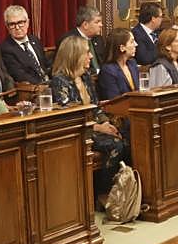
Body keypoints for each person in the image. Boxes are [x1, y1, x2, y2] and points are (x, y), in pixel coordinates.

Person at [49, 35, 129, 194]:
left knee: (125, 137)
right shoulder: (60, 81)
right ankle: (102, 192)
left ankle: (121, 191)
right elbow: (71, 116)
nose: (91, 56)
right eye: (87, 52)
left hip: (94, 127)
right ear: (74, 55)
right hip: (78, 131)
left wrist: (107, 123)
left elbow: (96, 107)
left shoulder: (85, 77)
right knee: (116, 145)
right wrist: (99, 127)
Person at [0, 5, 50, 84]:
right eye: (12, 24)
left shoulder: (35, 40)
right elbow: (20, 75)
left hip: (48, 82)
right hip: (32, 89)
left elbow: (44, 65)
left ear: (27, 22)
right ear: (7, 26)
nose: (17, 27)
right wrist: (44, 85)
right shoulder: (6, 49)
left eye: (20, 22)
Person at [60, 5, 105, 78]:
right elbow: (68, 68)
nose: (101, 25)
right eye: (97, 22)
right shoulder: (69, 40)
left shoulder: (98, 39)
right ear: (85, 25)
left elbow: (103, 62)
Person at [97, 27, 139, 100]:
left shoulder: (132, 63)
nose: (136, 44)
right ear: (122, 48)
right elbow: (114, 99)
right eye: (132, 42)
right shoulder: (108, 70)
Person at [133, 2, 163, 67]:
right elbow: (145, 59)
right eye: (160, 17)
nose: (162, 19)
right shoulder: (136, 34)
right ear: (153, 19)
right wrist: (163, 50)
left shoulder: (159, 32)